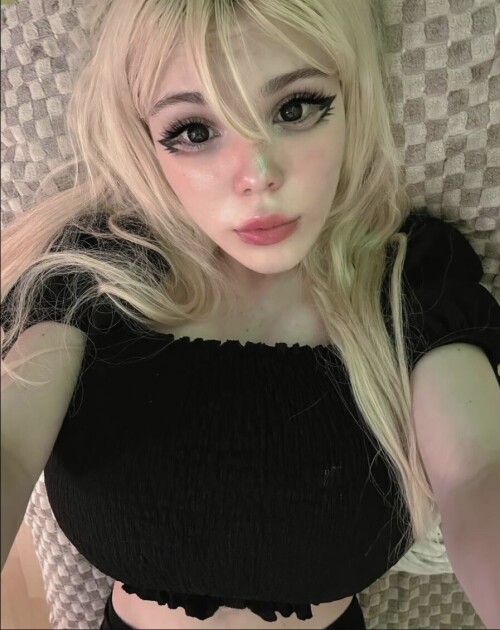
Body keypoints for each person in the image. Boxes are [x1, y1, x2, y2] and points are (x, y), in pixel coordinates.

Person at [1, 0, 499, 629]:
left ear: (352, 100)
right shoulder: (93, 275)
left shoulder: (413, 279)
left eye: (294, 109)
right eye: (194, 131)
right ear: (144, 139)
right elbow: (9, 447)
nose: (257, 176)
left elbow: (478, 473)